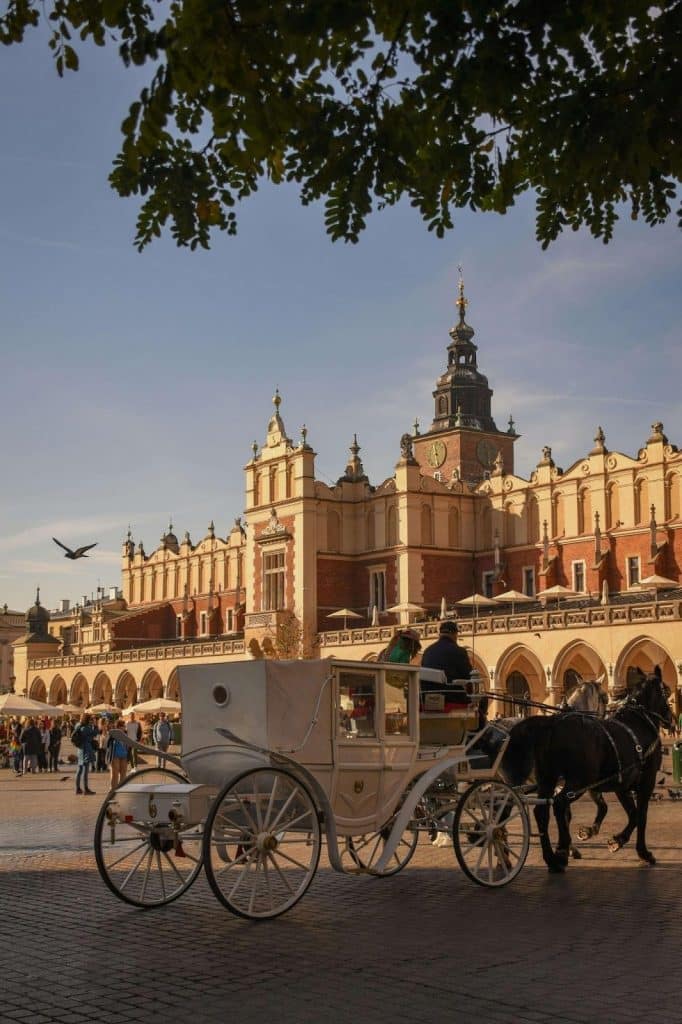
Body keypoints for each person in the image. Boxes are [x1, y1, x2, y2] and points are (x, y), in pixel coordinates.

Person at [420, 620, 472, 705]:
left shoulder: (427, 651)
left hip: (427, 698)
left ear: (440, 634)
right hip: (451, 697)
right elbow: (468, 677)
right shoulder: (459, 651)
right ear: (454, 634)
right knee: (483, 699)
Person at [72, 712, 98, 795]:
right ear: (87, 719)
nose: (91, 720)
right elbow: (95, 733)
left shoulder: (78, 725)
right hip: (86, 749)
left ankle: (77, 788)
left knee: (79, 770)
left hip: (80, 749)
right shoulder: (86, 728)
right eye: (90, 719)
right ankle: (86, 789)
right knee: (85, 771)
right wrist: (95, 724)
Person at [106, 719, 129, 790]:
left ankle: (121, 789)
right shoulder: (113, 734)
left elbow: (127, 745)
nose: (124, 727)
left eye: (124, 726)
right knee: (114, 774)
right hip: (115, 756)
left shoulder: (125, 734)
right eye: (123, 726)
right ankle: (113, 790)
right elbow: (108, 745)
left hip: (124, 756)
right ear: (118, 727)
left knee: (123, 774)